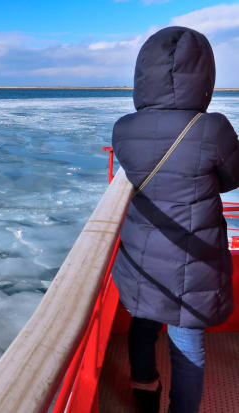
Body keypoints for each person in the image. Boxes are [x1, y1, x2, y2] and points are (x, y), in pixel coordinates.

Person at [111, 26, 239, 413]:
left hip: (142, 253)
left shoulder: (124, 129)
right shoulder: (213, 127)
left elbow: (138, 175)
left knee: (144, 324)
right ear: (203, 77)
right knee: (187, 342)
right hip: (193, 258)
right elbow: (232, 179)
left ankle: (144, 391)